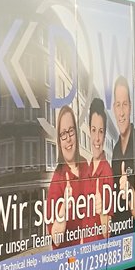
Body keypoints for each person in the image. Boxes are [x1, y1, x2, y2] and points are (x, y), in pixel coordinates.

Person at [47, 104, 93, 248]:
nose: (68, 138)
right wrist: (64, 208)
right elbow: (56, 238)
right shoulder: (58, 178)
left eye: (71, 131)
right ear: (59, 142)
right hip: (68, 258)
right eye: (63, 134)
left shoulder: (85, 165)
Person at [82, 98, 113, 243]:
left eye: (101, 132)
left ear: (105, 134)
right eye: (94, 130)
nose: (97, 138)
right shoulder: (88, 169)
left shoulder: (106, 171)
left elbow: (107, 232)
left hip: (98, 249)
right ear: (88, 130)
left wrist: (102, 211)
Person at [110, 76, 135, 236]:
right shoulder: (115, 150)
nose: (121, 112)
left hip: (134, 232)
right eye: (118, 105)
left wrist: (131, 191)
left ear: (131, 107)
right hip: (119, 231)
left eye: (124, 104)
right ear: (113, 108)